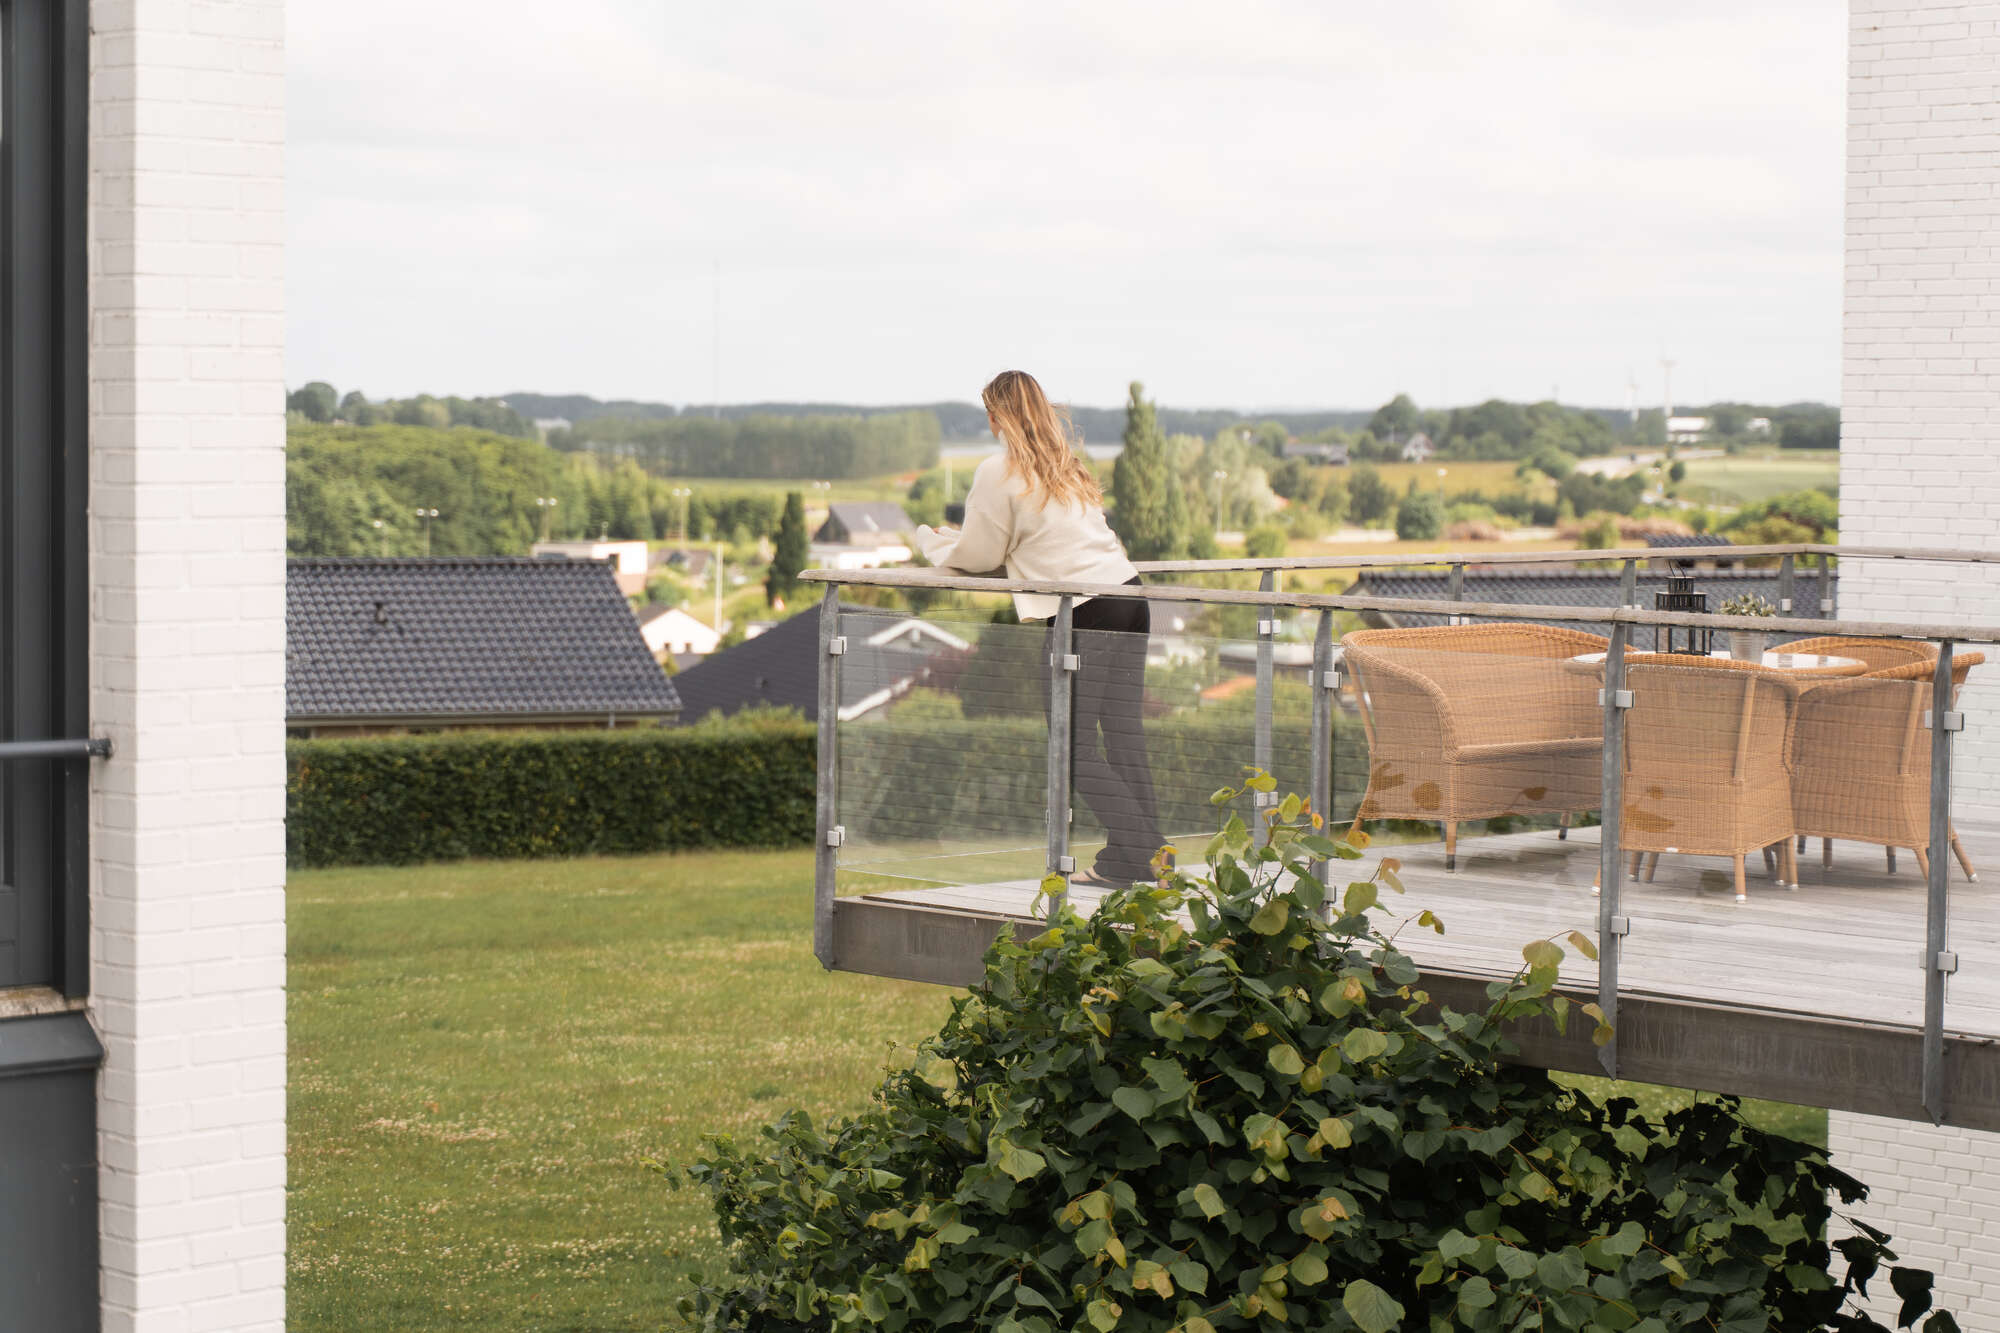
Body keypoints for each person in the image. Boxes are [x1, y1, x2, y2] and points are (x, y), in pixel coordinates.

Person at [916, 370, 1165, 888]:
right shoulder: (1064, 465)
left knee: (1071, 745)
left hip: (1085, 610)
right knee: (1123, 738)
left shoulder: (998, 469)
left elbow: (982, 555)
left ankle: (1148, 851)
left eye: (989, 413)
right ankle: (1129, 861)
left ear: (997, 415)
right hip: (1129, 595)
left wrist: (936, 544)